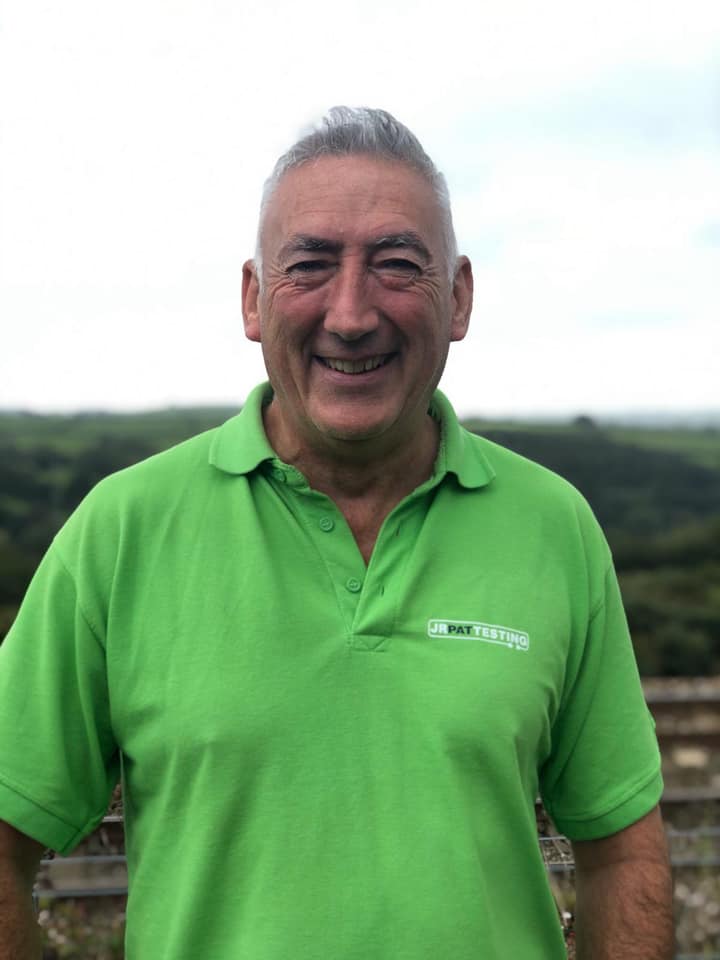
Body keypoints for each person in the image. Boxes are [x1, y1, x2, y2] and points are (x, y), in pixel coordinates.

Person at [0, 107, 673, 959]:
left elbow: (625, 852)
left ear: (459, 298)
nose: (351, 314)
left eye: (396, 264)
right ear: (253, 299)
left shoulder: (556, 528)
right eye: (311, 265)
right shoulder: (123, 530)